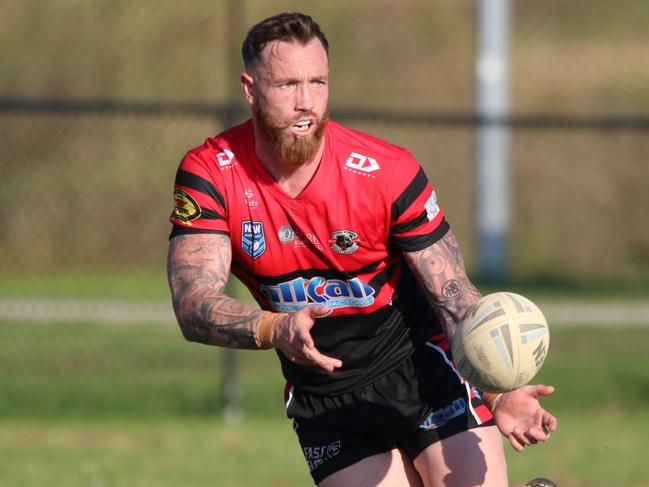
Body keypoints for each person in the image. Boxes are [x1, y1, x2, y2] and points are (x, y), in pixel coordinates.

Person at [167, 12, 558, 487]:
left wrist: (500, 393)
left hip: (421, 367)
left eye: (317, 81)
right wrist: (275, 327)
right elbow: (193, 304)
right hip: (327, 399)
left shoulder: (385, 172)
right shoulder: (213, 173)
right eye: (288, 84)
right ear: (250, 89)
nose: (306, 102)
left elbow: (455, 301)